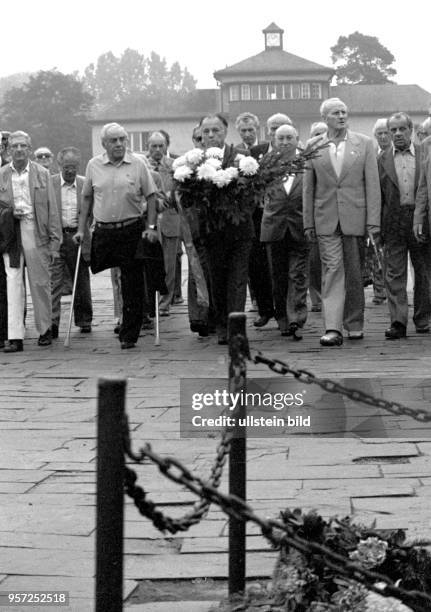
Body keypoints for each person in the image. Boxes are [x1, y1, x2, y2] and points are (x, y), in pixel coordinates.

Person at [303, 98, 381, 346]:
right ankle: (333, 327)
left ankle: (355, 323)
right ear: (325, 117)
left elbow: (372, 185)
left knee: (355, 273)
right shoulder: (314, 146)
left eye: (344, 112)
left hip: (355, 218)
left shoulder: (364, 144)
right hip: (325, 218)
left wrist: (373, 222)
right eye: (336, 113)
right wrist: (308, 222)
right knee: (333, 270)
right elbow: (308, 189)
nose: (342, 116)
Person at [74, 122, 158, 350]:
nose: (119, 144)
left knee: (131, 281)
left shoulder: (138, 164)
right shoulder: (94, 165)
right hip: (104, 231)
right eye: (114, 140)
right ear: (104, 144)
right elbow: (87, 199)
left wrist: (150, 226)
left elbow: (151, 197)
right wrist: (81, 229)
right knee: (101, 270)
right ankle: (114, 318)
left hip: (131, 228)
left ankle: (129, 332)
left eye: (122, 139)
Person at [0, 131, 61, 352]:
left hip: (36, 230)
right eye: (14, 146)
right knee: (13, 282)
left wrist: (55, 242)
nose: (18, 149)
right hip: (11, 233)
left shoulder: (42, 173)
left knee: (40, 283)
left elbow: (53, 209)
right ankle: (15, 336)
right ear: (8, 149)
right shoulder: (2, 174)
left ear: (29, 148)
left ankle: (44, 329)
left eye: (23, 146)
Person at [200, 114, 254, 344]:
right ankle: (222, 324)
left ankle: (236, 328)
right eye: (207, 131)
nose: (211, 135)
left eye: (216, 130)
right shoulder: (195, 162)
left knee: (238, 280)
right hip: (212, 232)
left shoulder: (242, 157)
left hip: (239, 230)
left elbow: (252, 192)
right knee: (217, 280)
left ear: (225, 131)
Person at [378, 112, 431, 339]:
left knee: (423, 271)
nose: (398, 133)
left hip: (419, 219)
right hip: (392, 221)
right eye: (393, 130)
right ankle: (398, 321)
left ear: (411, 130)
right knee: (394, 273)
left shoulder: (424, 153)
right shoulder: (380, 159)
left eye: (402, 129)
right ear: (388, 133)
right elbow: (377, 195)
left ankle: (422, 318)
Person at [260, 125, 309, 337]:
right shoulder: (266, 163)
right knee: (277, 275)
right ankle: (281, 316)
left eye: (290, 137)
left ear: (297, 139)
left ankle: (296, 318)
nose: (285, 142)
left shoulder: (308, 162)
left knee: (297, 274)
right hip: (274, 226)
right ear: (274, 139)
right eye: (281, 138)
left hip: (300, 224)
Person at [50, 147, 93, 339]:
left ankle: (84, 320)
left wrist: (86, 229)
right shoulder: (49, 184)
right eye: (67, 166)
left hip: (78, 236)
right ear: (59, 165)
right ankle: (52, 322)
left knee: (81, 279)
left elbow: (91, 211)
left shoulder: (85, 184)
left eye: (74, 166)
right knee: (54, 281)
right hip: (57, 237)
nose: (70, 171)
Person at [146, 131, 180, 316]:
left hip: (169, 219)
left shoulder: (175, 166)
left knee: (169, 265)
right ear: (148, 147)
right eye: (154, 146)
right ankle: (149, 303)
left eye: (161, 146)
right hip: (149, 223)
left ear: (167, 146)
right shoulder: (141, 166)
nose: (157, 150)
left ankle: (165, 303)